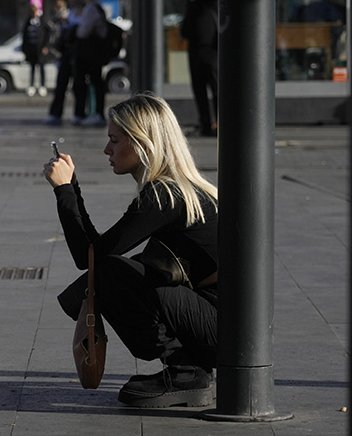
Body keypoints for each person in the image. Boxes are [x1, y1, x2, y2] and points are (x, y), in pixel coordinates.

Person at [42, 93, 219, 408]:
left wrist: (65, 190)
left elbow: (91, 258)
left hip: (222, 329)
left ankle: (186, 372)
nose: (107, 150)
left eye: (114, 140)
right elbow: (96, 253)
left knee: (110, 273)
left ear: (142, 144)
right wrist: (72, 189)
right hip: (220, 323)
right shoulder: (175, 189)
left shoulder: (164, 196)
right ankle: (188, 368)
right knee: (118, 268)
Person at [179, 0, 219, 136]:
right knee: (199, 90)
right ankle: (205, 123)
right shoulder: (193, 2)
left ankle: (218, 123)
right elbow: (187, 26)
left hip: (211, 51)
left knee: (216, 88)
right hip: (195, 51)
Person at [73, 0, 109, 127]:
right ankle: (94, 113)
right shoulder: (95, 8)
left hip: (90, 53)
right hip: (94, 52)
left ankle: (94, 113)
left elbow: (83, 32)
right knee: (94, 81)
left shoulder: (91, 9)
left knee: (89, 82)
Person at [45, 0, 83, 125]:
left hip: (77, 53)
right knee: (61, 83)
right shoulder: (70, 13)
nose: (71, 0)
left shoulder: (81, 12)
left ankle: (79, 113)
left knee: (78, 85)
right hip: (66, 53)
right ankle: (56, 112)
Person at [21, 2, 53, 97]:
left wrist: (45, 46)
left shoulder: (42, 21)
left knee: (42, 68)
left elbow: (48, 32)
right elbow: (24, 35)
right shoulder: (28, 22)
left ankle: (42, 86)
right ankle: (32, 86)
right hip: (31, 49)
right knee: (32, 68)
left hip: (40, 49)